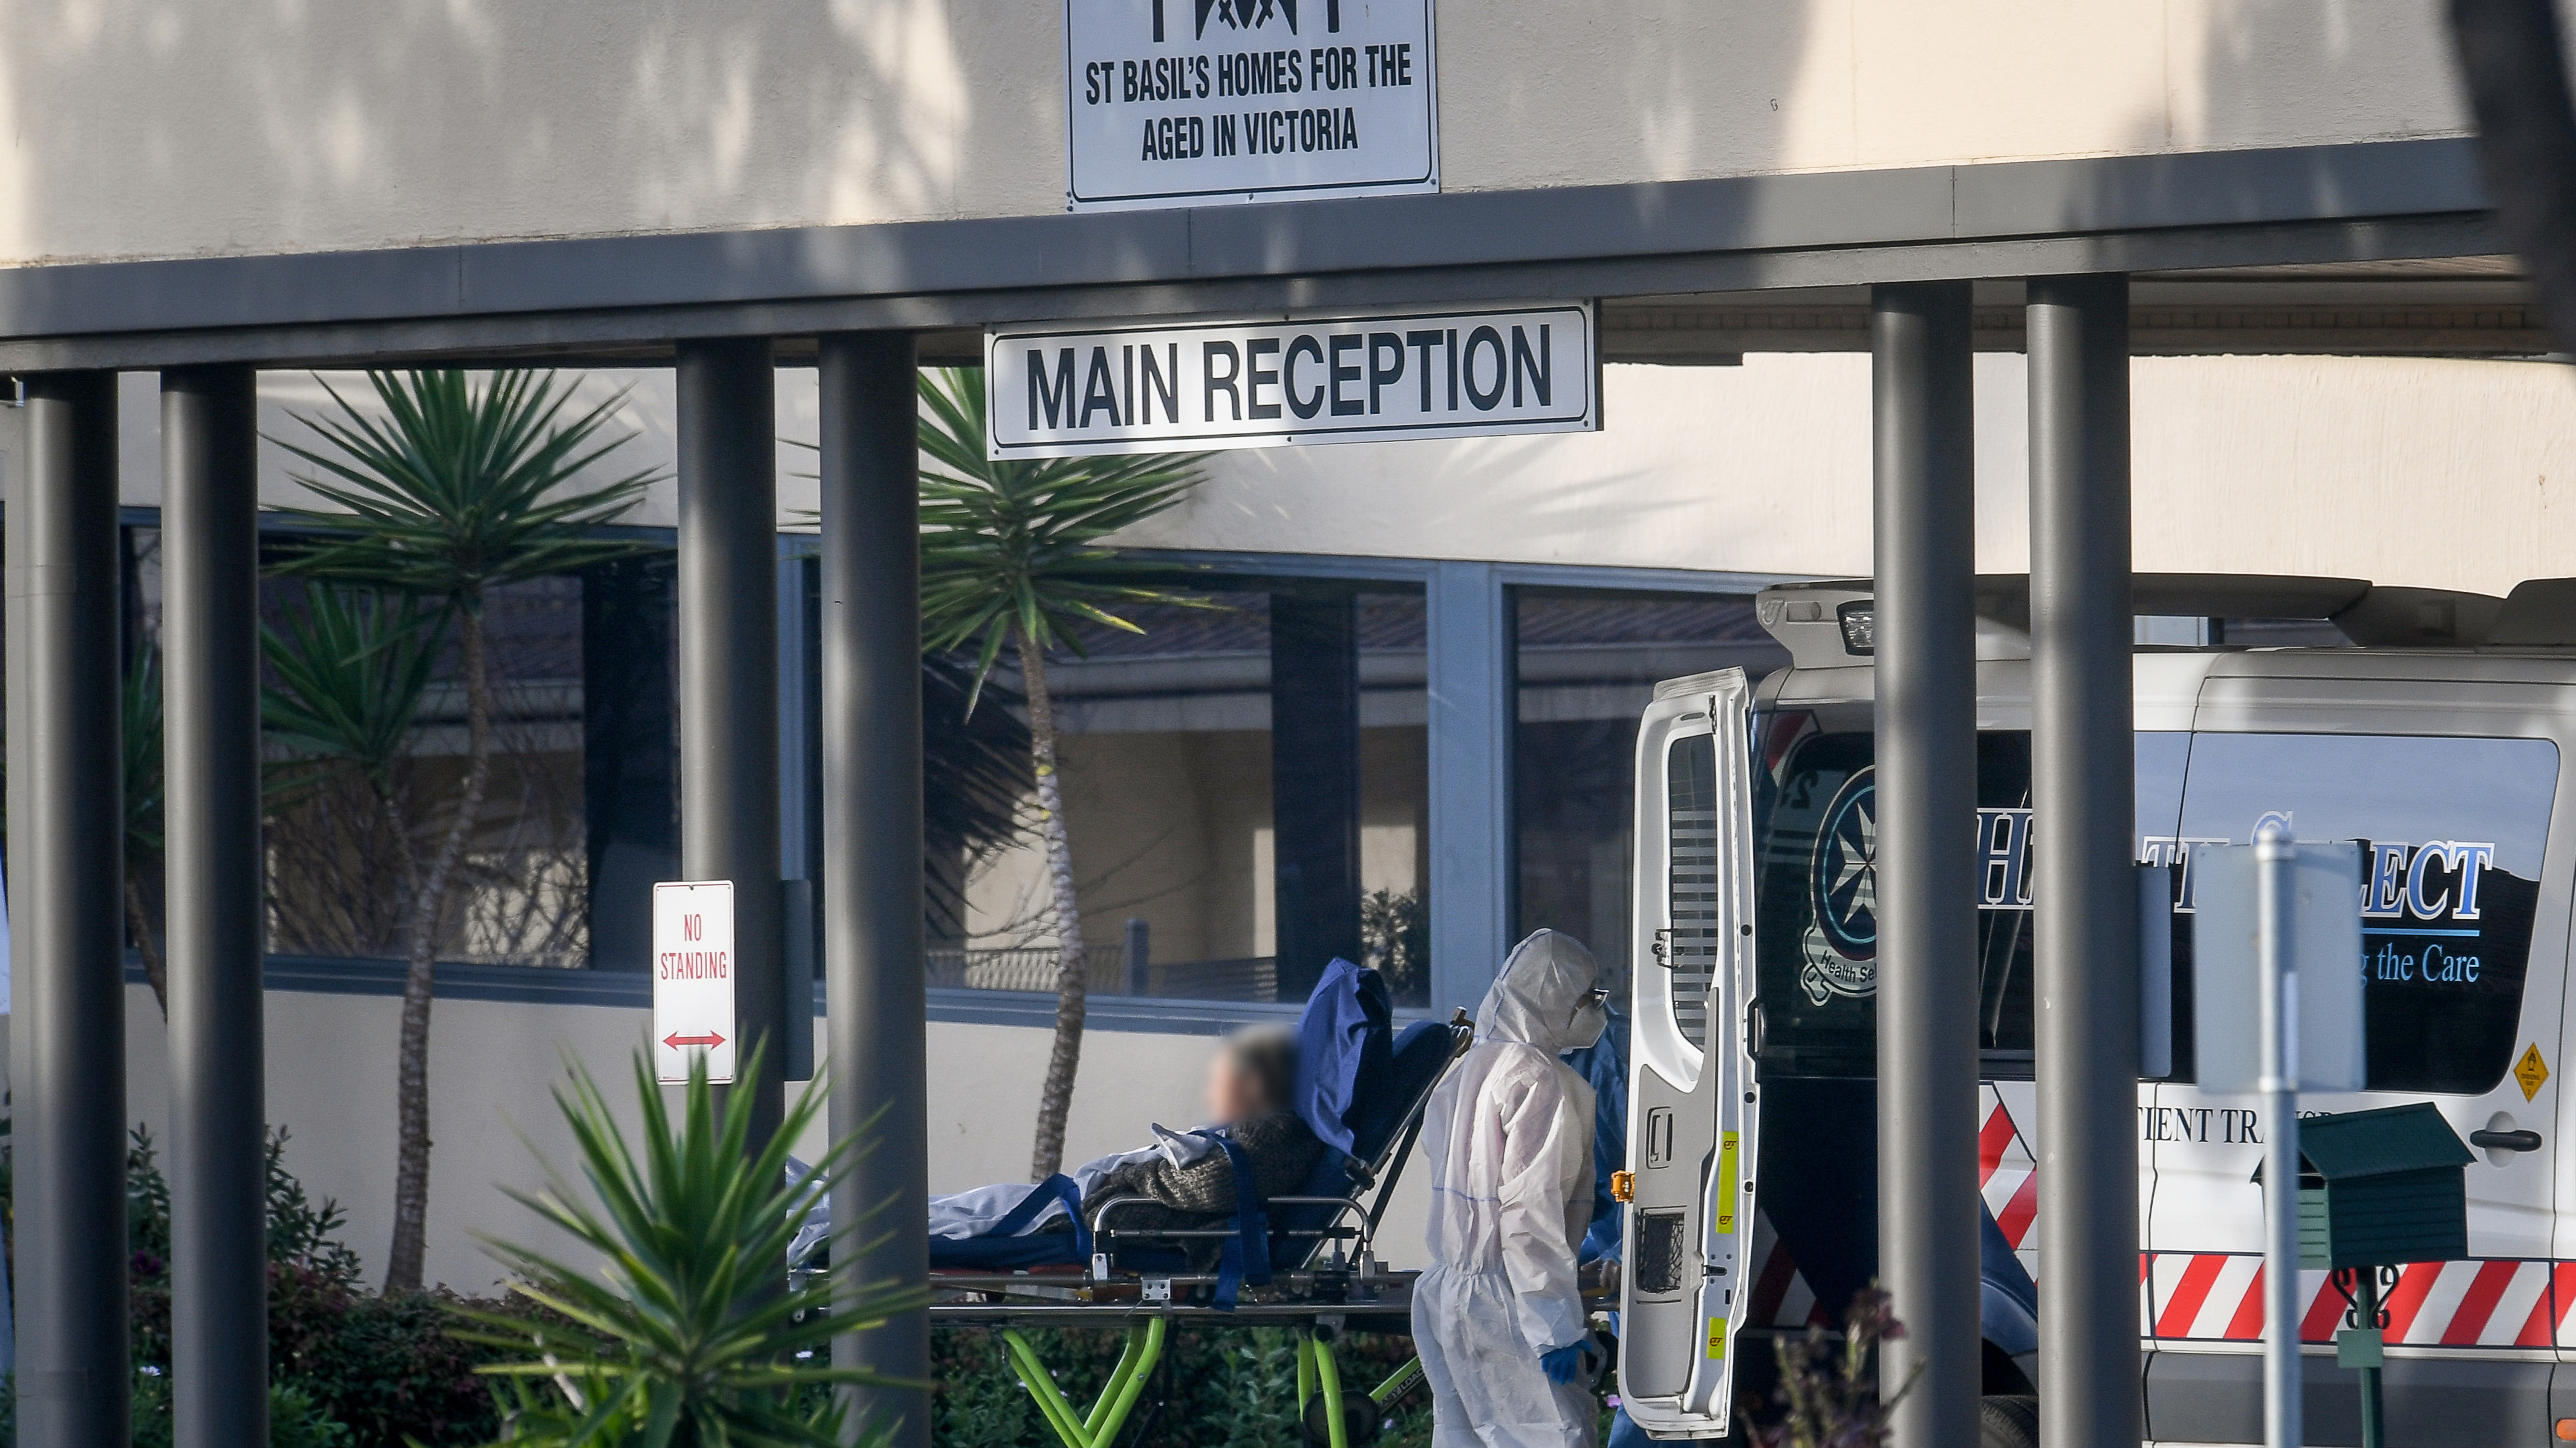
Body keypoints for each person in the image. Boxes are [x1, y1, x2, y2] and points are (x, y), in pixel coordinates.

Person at [1414, 929, 1613, 1448]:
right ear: (1551, 999)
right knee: (1555, 1437)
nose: (1594, 1008)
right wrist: (1555, 1325)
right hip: (1507, 1305)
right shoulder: (1535, 1078)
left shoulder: (1469, 1069)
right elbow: (1528, 1215)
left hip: (1448, 1294)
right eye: (1586, 997)